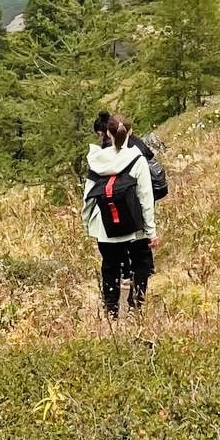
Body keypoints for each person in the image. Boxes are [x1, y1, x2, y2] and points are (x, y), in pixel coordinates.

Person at [83, 113, 157, 316]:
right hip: (134, 226)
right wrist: (151, 231)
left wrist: (88, 224)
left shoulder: (96, 159)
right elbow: (145, 198)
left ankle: (111, 310)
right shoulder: (137, 159)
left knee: (110, 266)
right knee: (140, 264)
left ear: (107, 133)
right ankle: (135, 308)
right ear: (130, 133)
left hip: (103, 225)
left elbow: (88, 197)